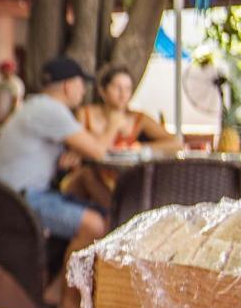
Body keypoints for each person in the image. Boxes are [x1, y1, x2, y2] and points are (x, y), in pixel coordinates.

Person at [0, 56, 127, 308]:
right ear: (68, 86)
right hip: (19, 201)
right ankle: (68, 306)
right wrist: (114, 124)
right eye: (81, 85)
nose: (83, 91)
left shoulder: (38, 106)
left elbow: (78, 149)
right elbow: (98, 151)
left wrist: (71, 151)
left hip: (12, 196)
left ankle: (77, 292)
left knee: (95, 203)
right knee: (93, 224)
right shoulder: (50, 110)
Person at [62, 63, 182, 209]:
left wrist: (139, 147)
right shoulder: (85, 114)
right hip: (85, 180)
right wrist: (113, 126)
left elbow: (176, 143)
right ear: (102, 91)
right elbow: (82, 151)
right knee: (89, 175)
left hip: (121, 179)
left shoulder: (137, 118)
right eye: (117, 88)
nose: (123, 94)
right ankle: (118, 215)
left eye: (127, 89)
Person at [0, 59, 25, 124]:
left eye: (5, 70)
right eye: (1, 70)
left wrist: (7, 118)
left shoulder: (15, 84)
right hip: (1, 117)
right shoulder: (0, 84)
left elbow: (15, 102)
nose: (3, 72)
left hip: (13, 118)